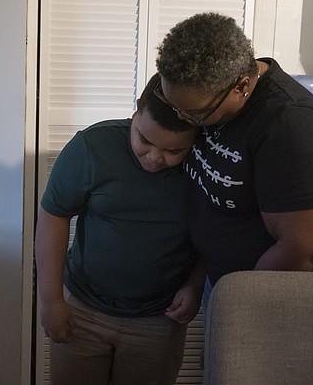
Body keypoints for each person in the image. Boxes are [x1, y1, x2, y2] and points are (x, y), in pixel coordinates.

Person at [155, 12, 313, 298]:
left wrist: (243, 299)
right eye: (174, 107)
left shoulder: (291, 124)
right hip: (223, 279)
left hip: (276, 296)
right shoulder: (206, 93)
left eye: (195, 113)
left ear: (242, 87)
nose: (183, 119)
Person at [36, 74, 205, 385]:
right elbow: (53, 216)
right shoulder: (91, 147)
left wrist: (196, 284)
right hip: (83, 310)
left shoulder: (206, 164)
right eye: (144, 140)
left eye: (173, 151)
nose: (155, 158)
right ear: (135, 112)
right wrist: (51, 300)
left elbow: (216, 231)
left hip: (160, 317)